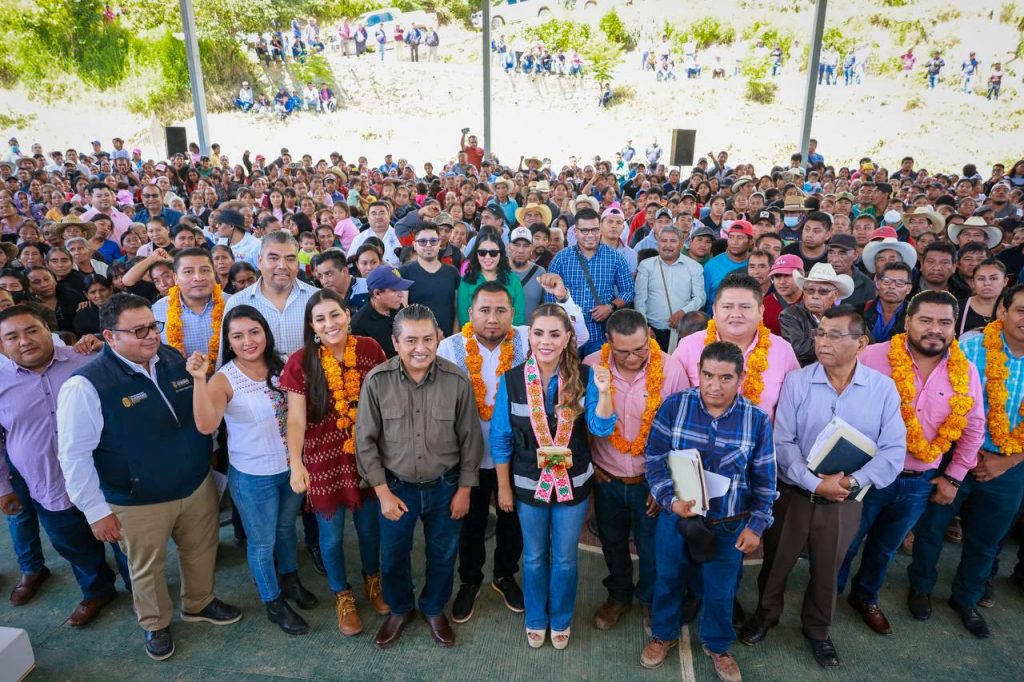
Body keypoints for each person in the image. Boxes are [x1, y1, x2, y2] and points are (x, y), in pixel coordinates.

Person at [56, 294, 242, 661]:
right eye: (138, 330)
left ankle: (199, 602)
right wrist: (95, 511)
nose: (151, 336)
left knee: (201, 549)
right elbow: (73, 455)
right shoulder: (86, 385)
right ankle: (155, 623)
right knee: (146, 566)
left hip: (194, 484)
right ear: (110, 337)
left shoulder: (171, 358)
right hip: (136, 499)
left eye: (152, 327)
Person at [742, 307, 905, 670]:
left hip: (845, 499)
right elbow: (783, 443)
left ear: (861, 343)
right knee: (776, 562)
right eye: (820, 334)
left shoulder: (882, 389)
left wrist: (850, 482)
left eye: (834, 335)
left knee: (828, 568)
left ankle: (818, 630)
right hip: (795, 495)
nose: (822, 342)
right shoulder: (798, 381)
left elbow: (893, 451)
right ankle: (765, 616)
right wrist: (815, 482)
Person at [439, 276, 586, 623]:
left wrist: (563, 297)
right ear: (470, 312)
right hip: (470, 456)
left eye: (501, 311)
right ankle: (470, 581)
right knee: (472, 524)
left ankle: (504, 575)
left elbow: (574, 334)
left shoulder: (527, 336)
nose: (493, 318)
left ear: (513, 313)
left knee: (513, 524)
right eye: (485, 310)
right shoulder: (448, 348)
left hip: (520, 459)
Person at [842, 292, 985, 635]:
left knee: (885, 548)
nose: (935, 329)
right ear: (908, 322)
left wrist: (954, 477)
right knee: (845, 542)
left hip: (918, 481)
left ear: (954, 327)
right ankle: (824, 599)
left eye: (944, 322)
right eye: (926, 320)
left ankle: (865, 596)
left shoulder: (965, 371)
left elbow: (974, 427)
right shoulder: (872, 357)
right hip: (866, 475)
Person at [640, 341, 776, 678]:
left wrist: (756, 526)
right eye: (708, 375)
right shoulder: (675, 406)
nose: (715, 385)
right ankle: (663, 634)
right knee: (668, 578)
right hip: (677, 517)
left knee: (721, 589)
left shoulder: (756, 420)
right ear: (698, 373)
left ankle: (717, 645)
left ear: (741, 378)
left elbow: (765, 479)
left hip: (728, 522)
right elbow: (654, 459)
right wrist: (670, 500)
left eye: (726, 377)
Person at [355, 304, 484, 649]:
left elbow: (470, 438)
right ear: (395, 342)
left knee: (443, 553)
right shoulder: (377, 381)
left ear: (438, 338)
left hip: (446, 487)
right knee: (393, 555)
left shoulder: (456, 380)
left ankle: (433, 608)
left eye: (428, 338)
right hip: (396, 488)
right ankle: (400, 609)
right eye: (411, 340)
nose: (420, 348)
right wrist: (382, 493)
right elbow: (364, 441)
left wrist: (464, 490)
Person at [490, 303, 616, 649]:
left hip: (573, 484)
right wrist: (503, 488)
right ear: (529, 336)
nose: (545, 341)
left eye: (554, 334)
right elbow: (500, 438)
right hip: (527, 483)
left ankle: (560, 618)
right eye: (539, 333)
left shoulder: (585, 377)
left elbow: (600, 428)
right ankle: (535, 617)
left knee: (564, 557)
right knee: (533, 556)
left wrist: (605, 393)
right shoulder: (512, 380)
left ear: (567, 338)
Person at [187, 305, 314, 636]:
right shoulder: (224, 379)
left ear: (265, 333)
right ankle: (273, 602)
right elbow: (206, 425)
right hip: (253, 476)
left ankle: (290, 580)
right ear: (228, 341)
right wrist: (199, 380)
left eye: (254, 332)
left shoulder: (282, 365)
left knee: (286, 529)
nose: (248, 341)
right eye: (238, 336)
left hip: (291, 468)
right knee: (262, 542)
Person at [0, 305, 128, 626]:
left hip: (104, 480)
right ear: (2, 346)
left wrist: (104, 343)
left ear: (49, 329)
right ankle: (97, 590)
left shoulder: (88, 359)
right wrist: (3, 487)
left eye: (32, 330)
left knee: (126, 542)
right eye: (12, 337)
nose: (25, 341)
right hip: (47, 485)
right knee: (73, 546)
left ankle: (140, 588)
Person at [908, 284, 1024, 638]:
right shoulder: (970, 348)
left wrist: (1008, 462)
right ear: (1002, 311)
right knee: (932, 529)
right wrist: (964, 458)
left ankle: (967, 599)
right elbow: (947, 403)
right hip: (957, 456)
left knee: (988, 539)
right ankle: (920, 588)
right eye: (1021, 310)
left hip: (1011, 465)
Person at [282, 289, 389, 637]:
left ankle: (373, 580)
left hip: (367, 456)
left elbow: (386, 401)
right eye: (320, 319)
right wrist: (296, 464)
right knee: (330, 538)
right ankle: (342, 595)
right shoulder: (300, 362)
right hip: (323, 460)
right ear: (312, 326)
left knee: (370, 529)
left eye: (335, 315)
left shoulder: (370, 349)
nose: (329, 324)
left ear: (347, 314)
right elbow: (295, 420)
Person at [581, 309, 688, 633]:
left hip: (651, 482)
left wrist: (665, 484)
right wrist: (590, 465)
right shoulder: (592, 367)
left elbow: (681, 432)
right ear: (608, 343)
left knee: (652, 547)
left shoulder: (671, 370)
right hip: (607, 478)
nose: (632, 358)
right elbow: (581, 425)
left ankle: (649, 598)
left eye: (640, 349)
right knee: (612, 542)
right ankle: (619, 595)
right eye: (622, 351)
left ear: (650, 338)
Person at [673, 273, 800, 420]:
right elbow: (673, 404)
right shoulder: (688, 347)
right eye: (727, 306)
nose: (736, 314)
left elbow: (791, 413)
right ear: (714, 310)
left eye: (745, 307)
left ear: (761, 311)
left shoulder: (783, 351)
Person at [547, 207, 634, 356]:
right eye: (584, 231)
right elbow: (550, 297)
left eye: (594, 230)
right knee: (567, 371)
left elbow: (628, 291)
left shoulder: (615, 257)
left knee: (597, 371)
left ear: (600, 229)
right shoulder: (561, 258)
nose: (590, 235)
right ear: (575, 232)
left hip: (599, 334)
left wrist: (610, 306)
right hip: (568, 334)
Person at [221, 232, 318, 357]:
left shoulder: (316, 298)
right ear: (259, 261)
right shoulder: (237, 303)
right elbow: (227, 356)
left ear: (298, 264)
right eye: (273, 258)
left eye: (290, 259)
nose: (282, 266)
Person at [634, 225, 705, 351]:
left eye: (673, 241)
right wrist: (644, 327)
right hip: (653, 330)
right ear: (658, 243)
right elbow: (640, 300)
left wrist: (683, 312)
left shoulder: (694, 267)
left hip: (683, 331)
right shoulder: (646, 266)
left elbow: (700, 297)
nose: (668, 245)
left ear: (681, 244)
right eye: (664, 241)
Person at [780, 263, 854, 366]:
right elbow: (797, 348)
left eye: (823, 291)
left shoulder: (845, 316)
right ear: (804, 294)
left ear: (835, 295)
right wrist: (840, 343)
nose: (815, 296)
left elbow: (865, 341)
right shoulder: (790, 315)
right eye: (810, 290)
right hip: (803, 371)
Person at [400, 224, 462, 336]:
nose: (428, 245)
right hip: (417, 339)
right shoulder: (404, 272)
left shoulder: (452, 272)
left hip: (448, 339)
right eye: (422, 241)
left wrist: (453, 338)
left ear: (439, 243)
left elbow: (457, 310)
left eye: (433, 241)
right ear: (414, 245)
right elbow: (403, 312)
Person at [457, 229, 526, 327]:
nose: (488, 257)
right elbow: (464, 318)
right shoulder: (467, 281)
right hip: (474, 334)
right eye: (482, 252)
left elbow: (518, 318)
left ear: (500, 254)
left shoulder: (513, 280)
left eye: (493, 253)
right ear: (476, 254)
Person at [350, 265, 413, 358]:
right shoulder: (359, 325)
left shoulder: (398, 307)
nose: (401, 295)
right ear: (377, 293)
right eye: (395, 290)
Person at [703, 221, 754, 314]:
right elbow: (703, 300)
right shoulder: (711, 265)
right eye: (731, 237)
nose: (734, 242)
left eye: (740, 237)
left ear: (750, 242)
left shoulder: (756, 264)